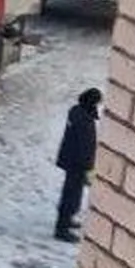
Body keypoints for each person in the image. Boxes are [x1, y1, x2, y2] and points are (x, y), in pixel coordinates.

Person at [55, 87, 102, 242]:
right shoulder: (85, 120)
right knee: (72, 195)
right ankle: (62, 228)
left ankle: (66, 220)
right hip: (78, 164)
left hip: (71, 161)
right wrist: (89, 167)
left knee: (72, 193)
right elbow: (85, 146)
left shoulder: (76, 112)